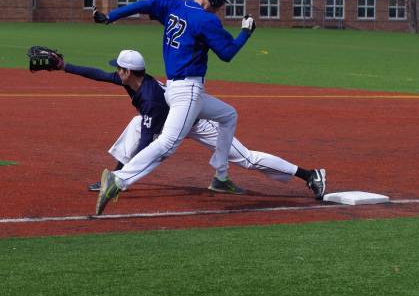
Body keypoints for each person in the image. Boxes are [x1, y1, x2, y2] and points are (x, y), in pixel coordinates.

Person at [92, 0, 271, 215]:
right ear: (215, 0)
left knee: (229, 115)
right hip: (188, 91)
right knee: (167, 144)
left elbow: (143, 4)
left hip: (173, 86)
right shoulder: (207, 20)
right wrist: (245, 33)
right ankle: (119, 179)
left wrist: (110, 16)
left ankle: (220, 172)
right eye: (223, 2)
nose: (222, 8)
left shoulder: (173, 5)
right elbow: (227, 53)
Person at [57, 49, 326, 202]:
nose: (115, 71)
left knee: (246, 159)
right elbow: (99, 75)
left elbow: (147, 144)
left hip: (198, 124)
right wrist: (63, 66)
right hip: (170, 123)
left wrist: (125, 173)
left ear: (128, 72)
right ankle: (112, 177)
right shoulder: (134, 81)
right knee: (136, 124)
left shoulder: (150, 97)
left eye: (118, 68)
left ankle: (310, 175)